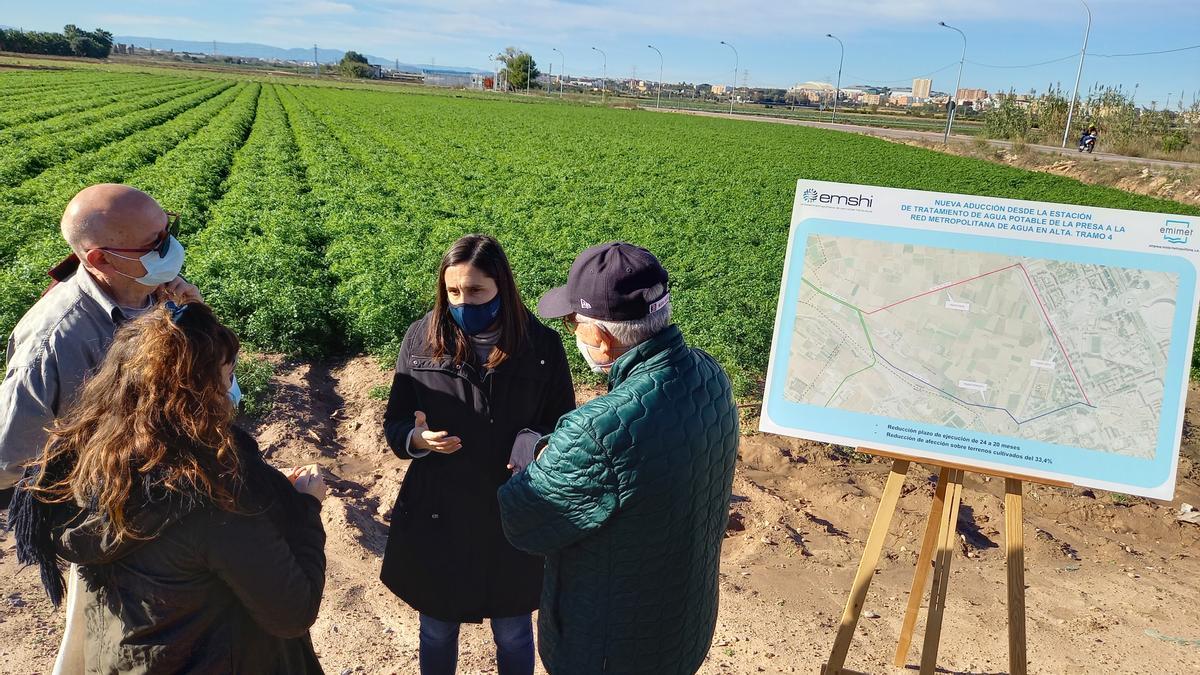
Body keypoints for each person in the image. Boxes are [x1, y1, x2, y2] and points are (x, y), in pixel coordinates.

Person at [10, 301, 328, 674]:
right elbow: (291, 612)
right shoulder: (212, 497)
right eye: (227, 373)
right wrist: (305, 508)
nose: (231, 386)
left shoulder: (90, 465)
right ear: (197, 393)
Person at [497, 242, 740, 675]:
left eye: (574, 321)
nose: (573, 331)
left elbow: (524, 522)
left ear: (602, 336)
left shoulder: (596, 429)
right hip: (682, 622)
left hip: (610, 645)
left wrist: (535, 460)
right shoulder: (709, 374)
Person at [0, 183, 203, 674]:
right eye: (153, 244)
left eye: (167, 231)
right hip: (112, 517)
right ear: (99, 258)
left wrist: (195, 322)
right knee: (114, 645)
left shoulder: (157, 292)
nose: (168, 248)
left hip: (171, 498)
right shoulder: (58, 340)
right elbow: (9, 457)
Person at [381, 234, 575, 675]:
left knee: (512, 630)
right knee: (436, 628)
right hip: (440, 509)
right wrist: (417, 441)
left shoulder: (541, 348)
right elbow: (395, 422)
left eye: (476, 291)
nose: (463, 301)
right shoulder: (421, 338)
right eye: (453, 292)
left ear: (501, 287)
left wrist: (536, 439)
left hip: (513, 508)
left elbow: (565, 423)